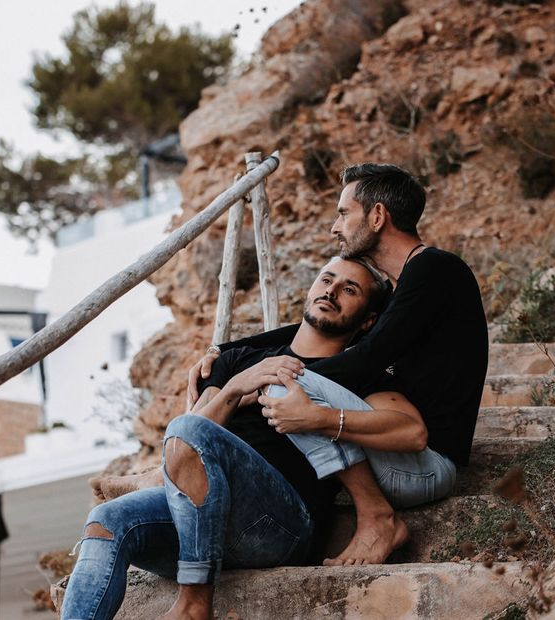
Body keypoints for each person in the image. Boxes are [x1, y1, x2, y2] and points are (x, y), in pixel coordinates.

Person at [62, 257, 423, 620]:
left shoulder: (355, 371)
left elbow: (411, 430)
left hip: (277, 527)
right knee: (106, 519)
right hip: (198, 525)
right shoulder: (239, 359)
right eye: (326, 279)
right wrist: (234, 389)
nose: (330, 290)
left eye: (349, 289)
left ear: (369, 319)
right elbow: (183, 447)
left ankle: (194, 602)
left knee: (189, 430)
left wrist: (323, 417)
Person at [189, 162, 489, 567]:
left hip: (424, 465)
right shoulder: (405, 285)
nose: (336, 226)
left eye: (344, 213)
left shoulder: (434, 271)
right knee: (282, 380)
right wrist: (224, 354)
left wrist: (252, 386)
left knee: (284, 384)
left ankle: (376, 518)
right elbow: (310, 328)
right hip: (391, 453)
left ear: (378, 216)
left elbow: (361, 361)